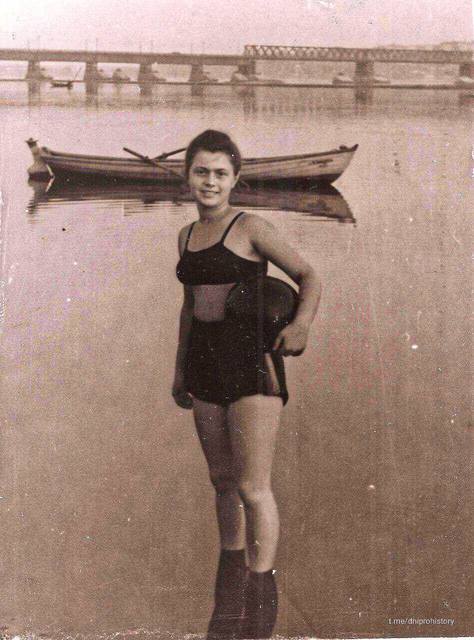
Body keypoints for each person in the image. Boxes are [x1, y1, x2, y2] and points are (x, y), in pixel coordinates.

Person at [173, 130, 321, 639]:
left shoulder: (251, 226)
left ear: (235, 178)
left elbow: (309, 276)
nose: (210, 182)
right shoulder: (185, 236)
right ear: (187, 176)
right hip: (204, 364)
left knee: (253, 487)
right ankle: (229, 579)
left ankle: (260, 599)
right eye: (201, 171)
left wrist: (300, 326)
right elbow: (190, 308)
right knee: (221, 480)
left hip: (252, 365)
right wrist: (179, 371)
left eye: (220, 173)